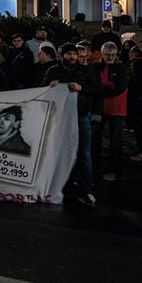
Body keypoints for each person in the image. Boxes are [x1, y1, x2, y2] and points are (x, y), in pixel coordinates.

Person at [45, 42, 101, 205]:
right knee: (60, 152)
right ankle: (62, 186)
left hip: (81, 117)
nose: (72, 57)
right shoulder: (54, 71)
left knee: (84, 154)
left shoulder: (86, 71)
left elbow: (98, 92)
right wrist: (50, 87)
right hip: (60, 118)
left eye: (74, 54)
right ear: (62, 55)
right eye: (69, 54)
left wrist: (81, 88)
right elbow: (40, 88)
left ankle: (87, 190)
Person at [89, 40, 128, 181]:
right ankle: (96, 166)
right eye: (107, 54)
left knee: (115, 140)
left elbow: (120, 88)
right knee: (95, 138)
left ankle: (114, 170)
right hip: (100, 108)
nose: (110, 57)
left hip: (116, 109)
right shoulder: (96, 67)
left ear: (116, 54)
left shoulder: (120, 68)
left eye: (112, 55)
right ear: (102, 54)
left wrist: (101, 91)